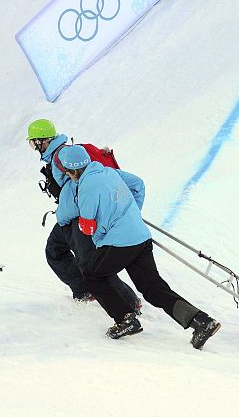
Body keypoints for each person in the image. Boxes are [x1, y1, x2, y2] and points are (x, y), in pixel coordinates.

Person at [58, 145, 221, 349]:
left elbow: (87, 226)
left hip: (119, 243)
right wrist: (131, 212)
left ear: (72, 170)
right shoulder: (108, 171)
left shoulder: (85, 187)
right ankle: (201, 321)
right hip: (141, 238)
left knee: (92, 275)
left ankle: (125, 319)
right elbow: (137, 184)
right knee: (152, 287)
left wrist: (99, 223)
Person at [27, 119, 139, 309]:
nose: (34, 147)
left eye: (33, 143)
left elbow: (85, 181)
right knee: (55, 250)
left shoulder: (63, 155)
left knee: (91, 262)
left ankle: (128, 301)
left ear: (42, 141)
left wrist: (90, 213)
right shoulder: (58, 155)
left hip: (80, 217)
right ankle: (84, 290)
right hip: (69, 216)